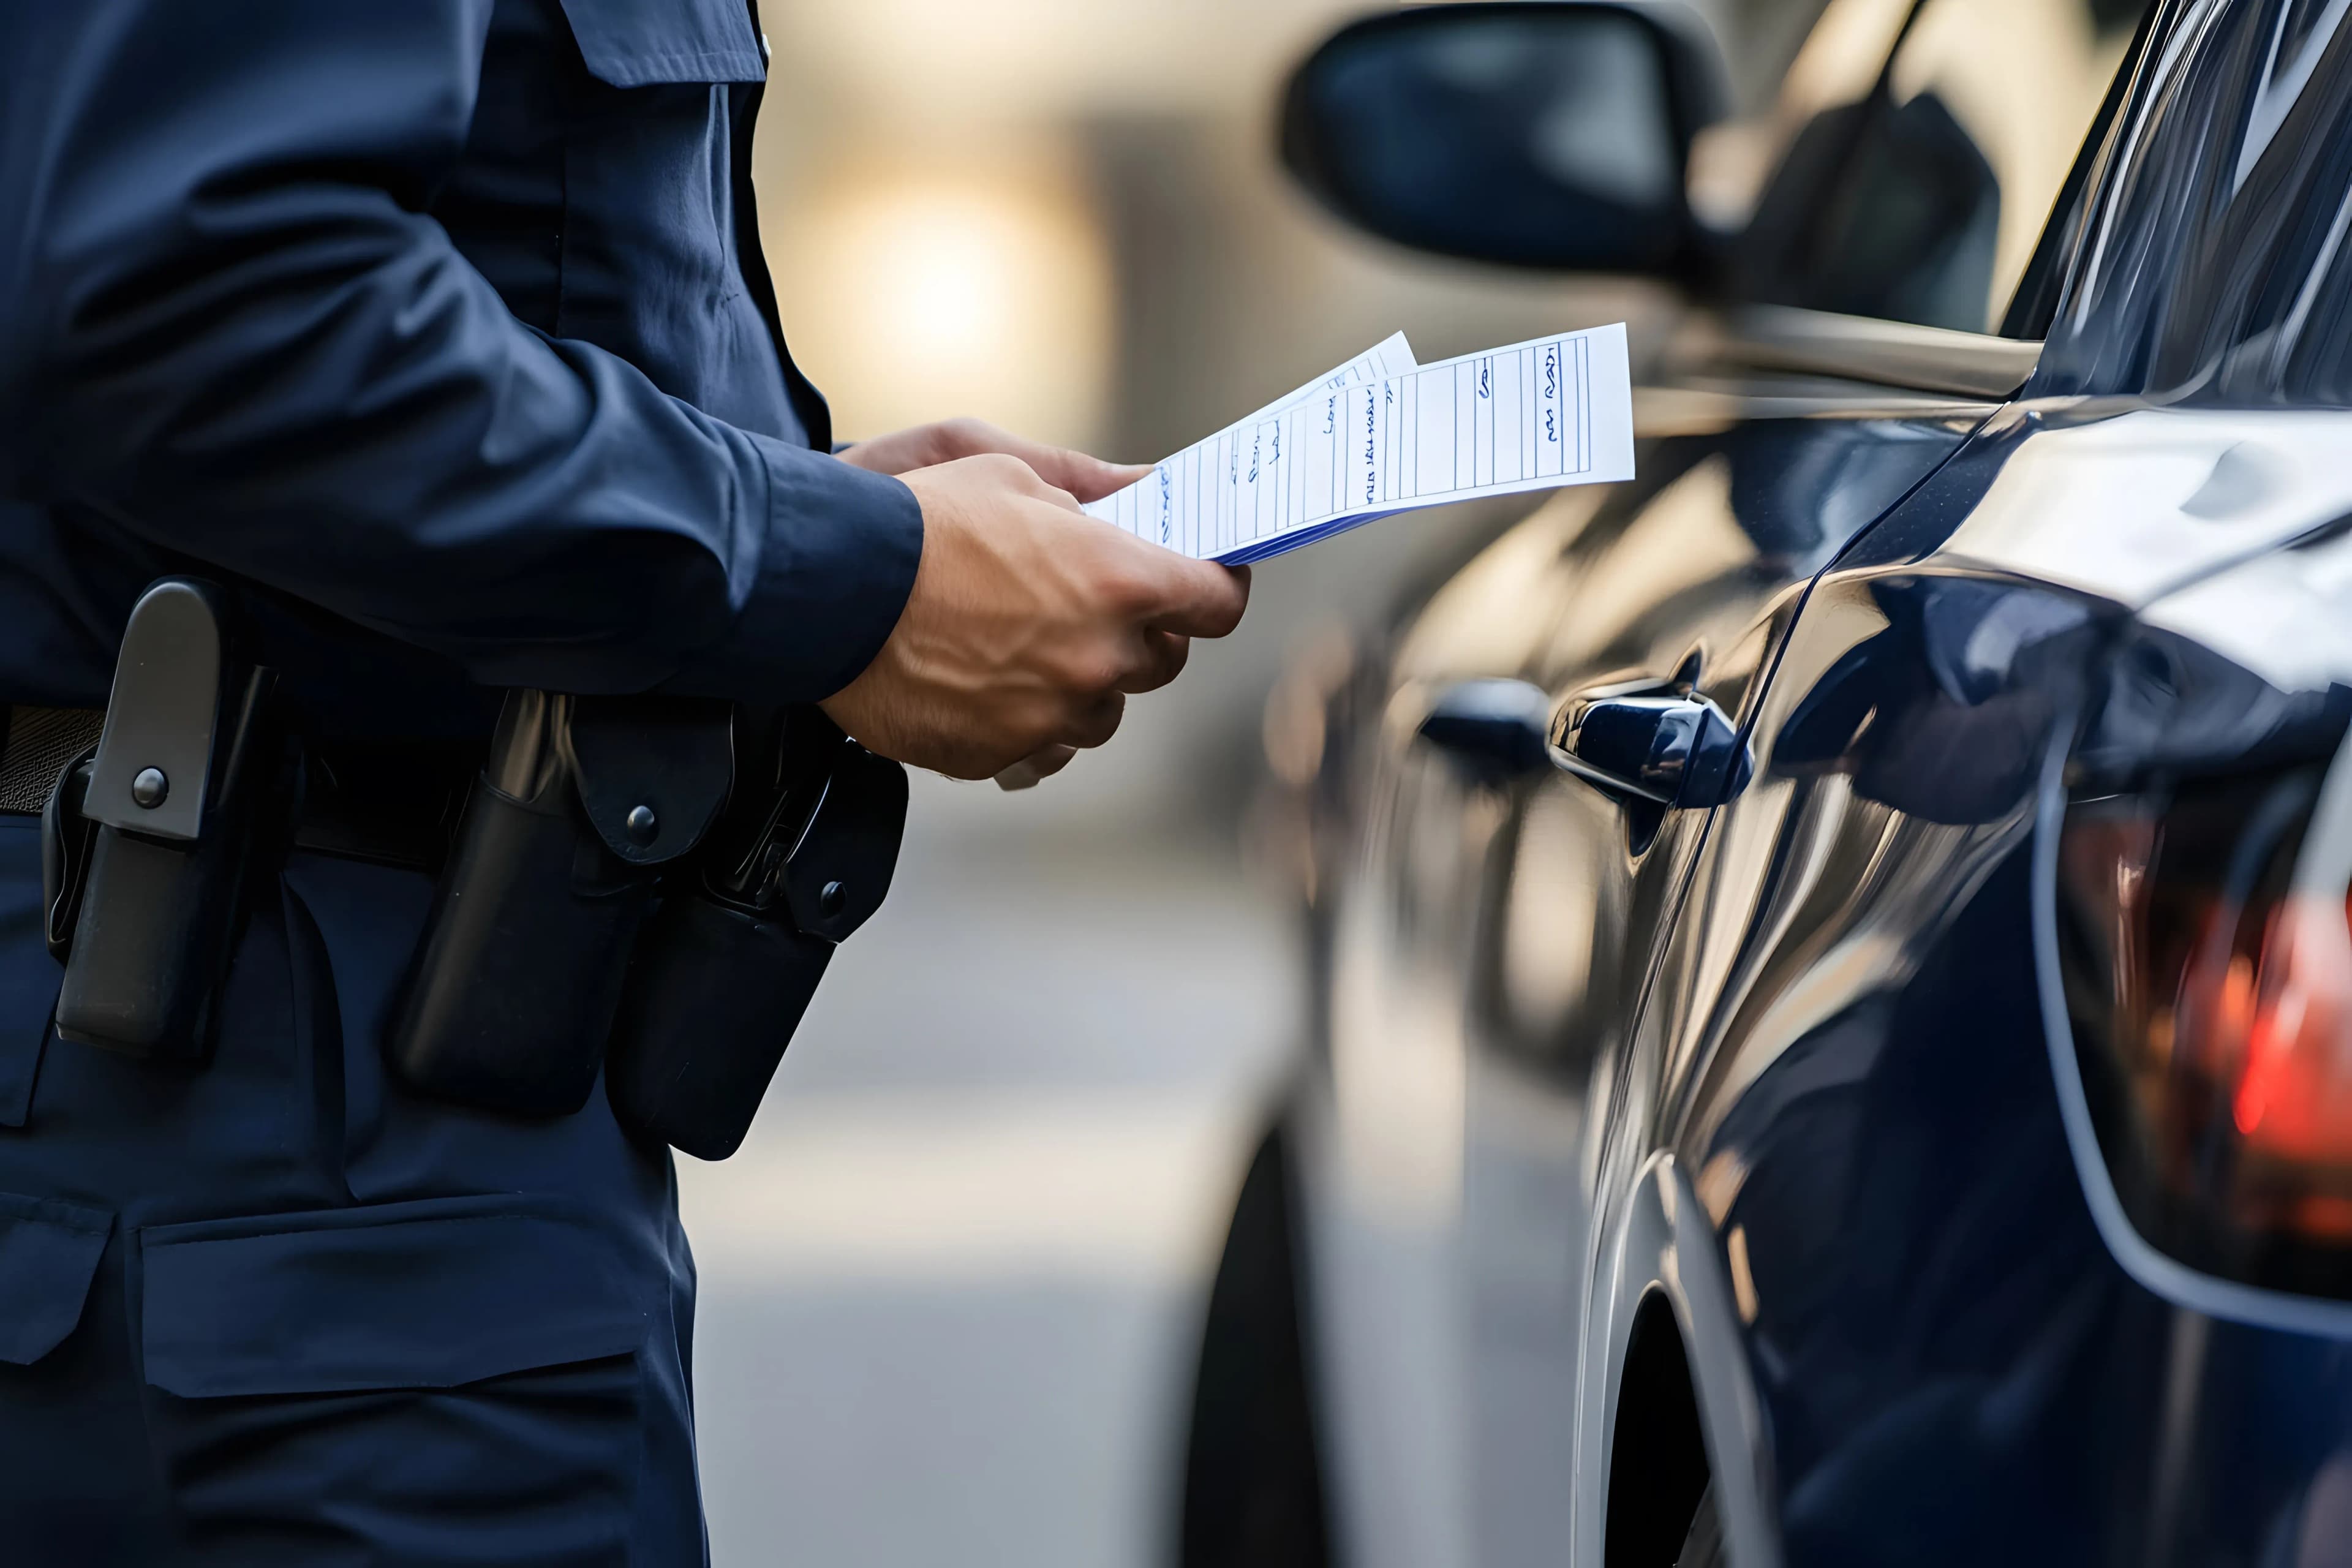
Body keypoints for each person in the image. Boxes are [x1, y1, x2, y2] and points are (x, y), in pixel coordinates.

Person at [0, 1, 1248, 1562]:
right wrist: (847, 578)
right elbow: (200, 294)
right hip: (294, 1135)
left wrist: (805, 501)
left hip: (270, 1109)